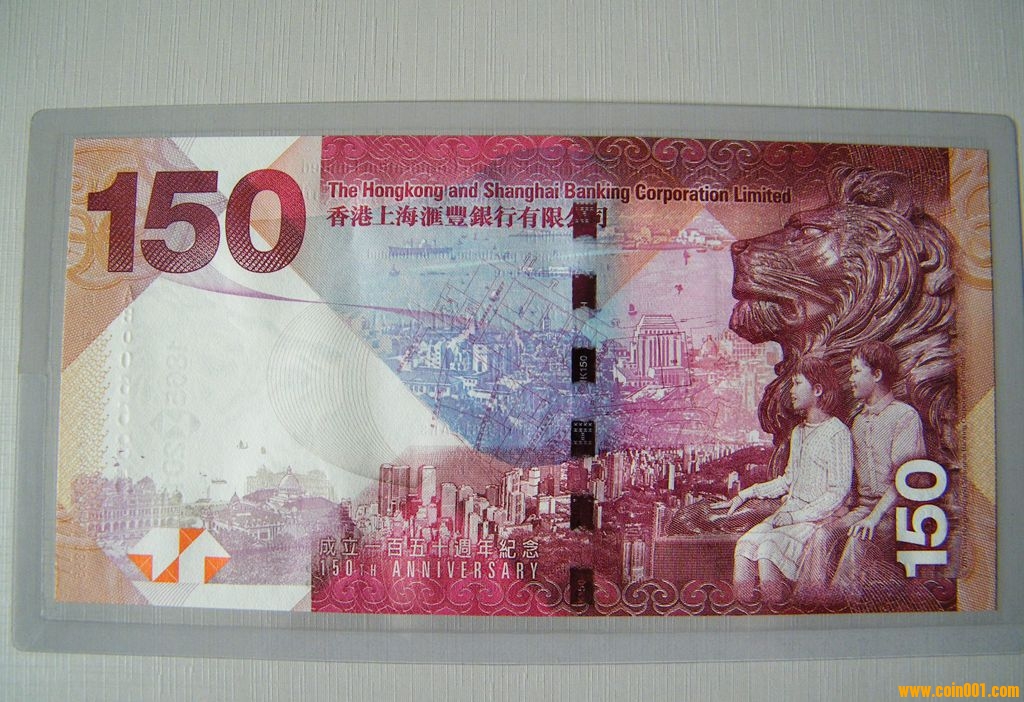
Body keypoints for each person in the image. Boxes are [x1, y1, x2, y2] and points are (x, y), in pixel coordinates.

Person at [713, 356, 852, 604]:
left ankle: (773, 612)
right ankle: (743, 610)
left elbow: (837, 493)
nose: (792, 391)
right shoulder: (799, 432)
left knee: (768, 550)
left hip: (815, 518)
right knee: (745, 546)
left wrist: (794, 517)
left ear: (817, 390)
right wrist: (747, 493)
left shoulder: (837, 433)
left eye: (797, 384)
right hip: (789, 514)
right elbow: (788, 480)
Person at [796, 340, 927, 602]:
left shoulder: (904, 417)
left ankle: (840, 605)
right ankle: (809, 601)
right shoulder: (857, 422)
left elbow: (903, 482)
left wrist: (873, 518)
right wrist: (836, 512)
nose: (851, 378)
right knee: (822, 535)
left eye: (856, 371)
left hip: (895, 514)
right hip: (863, 510)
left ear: (876, 374)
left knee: (859, 539)